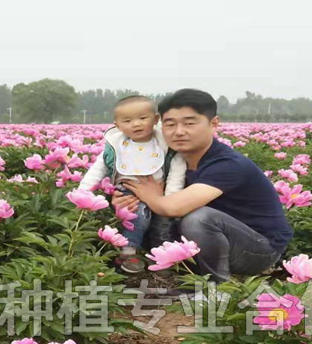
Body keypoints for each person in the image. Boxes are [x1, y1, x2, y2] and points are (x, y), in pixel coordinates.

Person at [116, 89, 293, 282]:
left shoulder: (228, 164)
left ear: (213, 124)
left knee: (198, 219)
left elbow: (172, 207)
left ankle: (216, 286)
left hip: (258, 250)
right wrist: (127, 200)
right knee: (141, 213)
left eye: (189, 123)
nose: (179, 131)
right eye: (170, 124)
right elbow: (151, 197)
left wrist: (150, 196)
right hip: (215, 241)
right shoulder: (170, 162)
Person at [78, 95, 186, 273]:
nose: (136, 124)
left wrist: (171, 198)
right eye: (127, 121)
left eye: (143, 118)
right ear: (117, 125)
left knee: (164, 223)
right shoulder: (116, 145)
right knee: (138, 216)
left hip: (160, 192)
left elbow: (177, 169)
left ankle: (162, 256)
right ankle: (129, 252)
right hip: (127, 191)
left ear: (156, 119)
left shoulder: (165, 144)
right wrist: (84, 192)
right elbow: (98, 169)